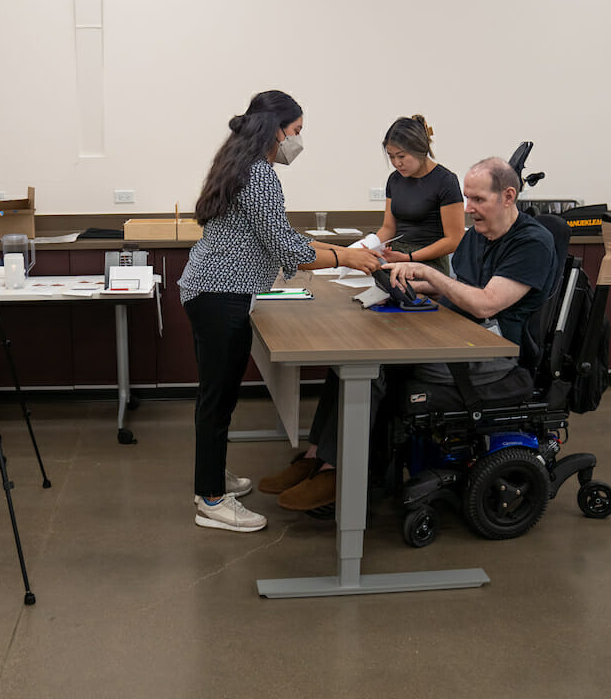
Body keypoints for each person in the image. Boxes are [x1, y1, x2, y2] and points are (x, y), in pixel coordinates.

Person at [259, 156, 557, 511]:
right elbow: (459, 289)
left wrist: (429, 273)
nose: (469, 209)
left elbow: (485, 304)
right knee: (348, 358)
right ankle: (317, 456)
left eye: (478, 200)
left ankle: (338, 470)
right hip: (460, 336)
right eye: (467, 199)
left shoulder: (531, 243)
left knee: (373, 366)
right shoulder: (479, 235)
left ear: (508, 196)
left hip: (490, 355)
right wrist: (407, 278)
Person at [179, 89, 380, 533]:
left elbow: (280, 235)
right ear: (275, 131)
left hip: (207, 289)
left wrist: (338, 249)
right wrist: (347, 258)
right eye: (296, 132)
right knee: (218, 399)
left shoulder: (238, 163)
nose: (298, 141)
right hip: (220, 295)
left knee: (216, 396)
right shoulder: (261, 176)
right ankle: (211, 499)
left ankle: (210, 478)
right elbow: (288, 247)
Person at [374, 115, 465, 275]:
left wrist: (409, 258)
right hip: (397, 259)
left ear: (420, 150)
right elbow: (388, 228)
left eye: (401, 156)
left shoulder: (445, 181)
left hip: (429, 265)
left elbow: (454, 239)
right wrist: (367, 246)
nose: (396, 163)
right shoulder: (395, 179)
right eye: (391, 156)